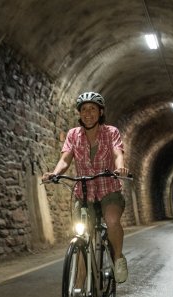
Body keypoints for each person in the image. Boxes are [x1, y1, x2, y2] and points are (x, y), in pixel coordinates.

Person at [43, 91, 130, 283]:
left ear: (100, 112)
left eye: (92, 109)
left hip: (109, 189)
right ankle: (80, 285)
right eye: (84, 109)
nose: (88, 113)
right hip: (83, 192)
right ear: (79, 113)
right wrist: (55, 173)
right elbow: (65, 159)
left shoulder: (111, 132)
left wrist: (120, 167)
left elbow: (117, 153)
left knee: (112, 221)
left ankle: (117, 259)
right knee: (82, 234)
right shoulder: (73, 135)